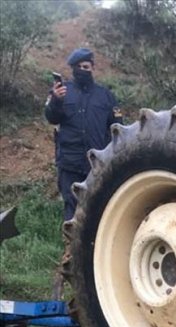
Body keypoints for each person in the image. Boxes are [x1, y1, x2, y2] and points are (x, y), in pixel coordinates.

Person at [44, 48, 123, 221]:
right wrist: (56, 101)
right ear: (73, 69)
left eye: (85, 66)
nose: (82, 70)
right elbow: (51, 117)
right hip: (69, 163)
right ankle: (71, 247)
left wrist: (110, 156)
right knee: (71, 211)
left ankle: (95, 246)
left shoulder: (106, 96)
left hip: (96, 164)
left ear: (93, 67)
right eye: (78, 67)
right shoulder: (62, 92)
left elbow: (117, 128)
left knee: (98, 209)